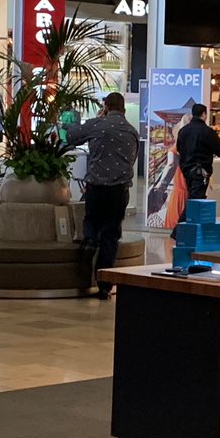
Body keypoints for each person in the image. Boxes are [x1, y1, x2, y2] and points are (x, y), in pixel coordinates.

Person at [65, 91, 140, 299]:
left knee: (91, 222)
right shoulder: (132, 131)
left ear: (106, 107)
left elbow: (71, 135)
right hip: (118, 190)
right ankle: (104, 286)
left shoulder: (98, 124)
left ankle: (88, 243)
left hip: (96, 187)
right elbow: (132, 159)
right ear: (124, 109)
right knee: (110, 234)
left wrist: (97, 119)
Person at [175, 102, 220, 205]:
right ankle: (181, 221)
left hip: (187, 171)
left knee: (194, 200)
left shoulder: (183, 131)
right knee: (196, 202)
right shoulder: (207, 132)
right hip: (200, 171)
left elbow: (179, 149)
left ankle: (186, 220)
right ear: (204, 114)